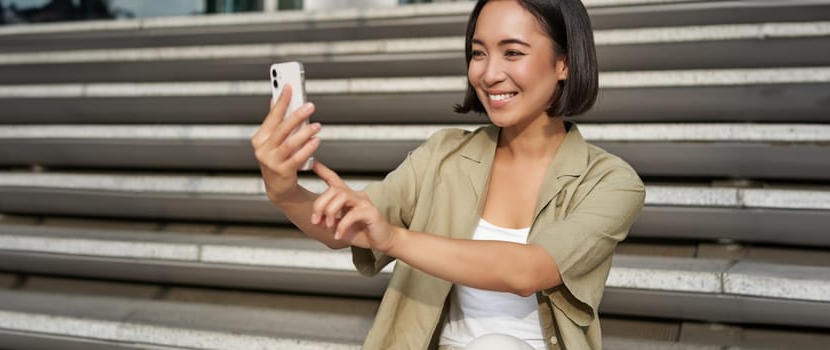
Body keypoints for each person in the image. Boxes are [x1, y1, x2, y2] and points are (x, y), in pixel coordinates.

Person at [251, 0, 645, 349]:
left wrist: (394, 238)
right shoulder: (444, 155)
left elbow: (528, 270)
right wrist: (282, 189)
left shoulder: (610, 181)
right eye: (478, 53)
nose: (489, 74)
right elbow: (347, 229)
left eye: (512, 52)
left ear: (565, 63)